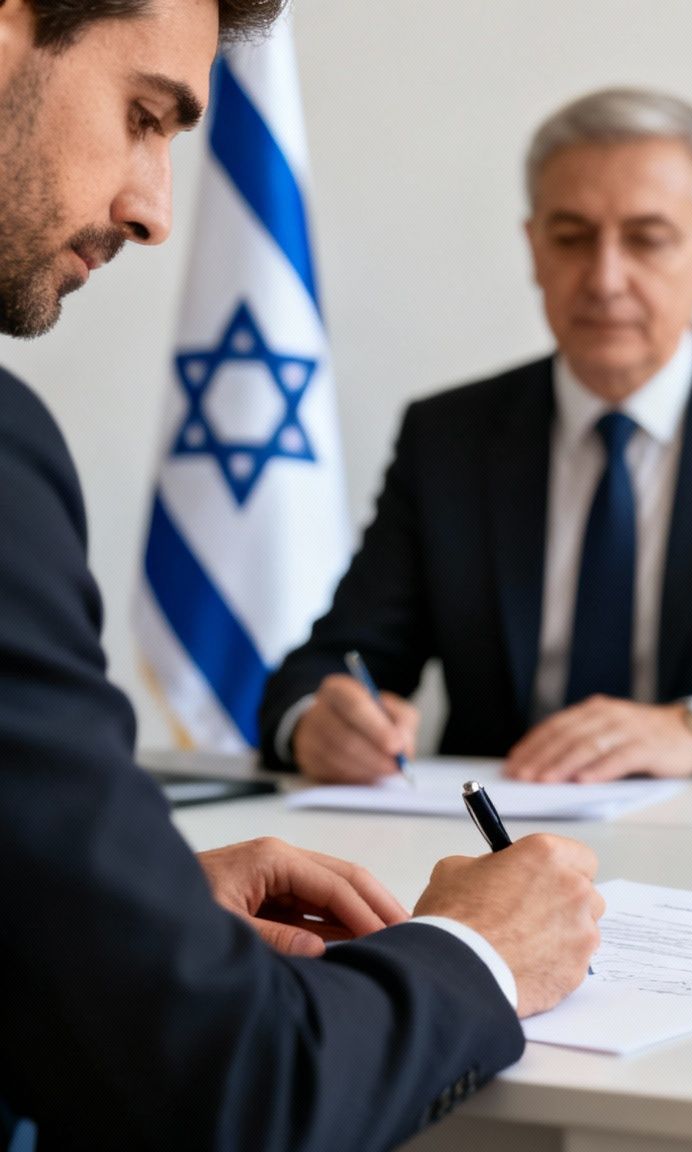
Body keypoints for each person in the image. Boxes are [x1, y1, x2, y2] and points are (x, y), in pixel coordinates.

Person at [0, 2, 604, 1147]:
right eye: (143, 116)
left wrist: (129, 915)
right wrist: (480, 949)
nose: (155, 209)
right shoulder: (455, 439)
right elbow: (231, 1092)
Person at [258, 87, 692, 786]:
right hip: (501, 832)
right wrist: (318, 723)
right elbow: (327, 666)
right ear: (533, 251)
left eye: (647, 239)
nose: (605, 278)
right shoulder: (449, 438)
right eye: (571, 238)